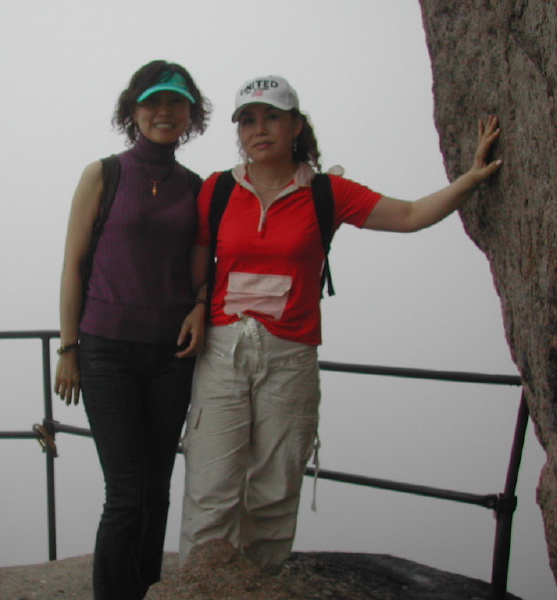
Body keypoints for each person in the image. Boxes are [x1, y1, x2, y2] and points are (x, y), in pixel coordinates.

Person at [178, 75, 502, 574]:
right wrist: (199, 304)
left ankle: (259, 585)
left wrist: (472, 179)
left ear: (295, 126)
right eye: (248, 120)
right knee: (210, 486)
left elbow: (410, 215)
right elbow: (200, 254)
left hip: (289, 357)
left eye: (272, 117)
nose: (259, 129)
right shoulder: (217, 189)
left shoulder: (326, 192)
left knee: (274, 490)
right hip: (223, 351)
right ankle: (200, 587)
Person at [54, 60, 210, 600]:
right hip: (107, 353)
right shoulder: (104, 174)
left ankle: (144, 589)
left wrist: (201, 304)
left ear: (191, 113)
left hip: (172, 356)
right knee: (125, 492)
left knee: (157, 488)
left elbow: (202, 267)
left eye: (176, 102)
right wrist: (68, 349)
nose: (164, 112)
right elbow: (73, 265)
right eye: (152, 102)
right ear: (133, 111)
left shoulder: (195, 187)